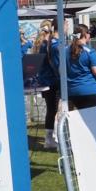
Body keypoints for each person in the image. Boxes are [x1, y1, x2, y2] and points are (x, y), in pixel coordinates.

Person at [33, 21, 60, 149]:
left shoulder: (39, 44)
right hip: (51, 81)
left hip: (44, 81)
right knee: (54, 110)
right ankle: (51, 138)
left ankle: (50, 138)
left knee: (51, 109)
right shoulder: (47, 44)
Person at [65, 24, 96, 109]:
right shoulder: (90, 51)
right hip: (89, 90)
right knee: (92, 117)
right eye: (89, 32)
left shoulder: (65, 50)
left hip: (72, 91)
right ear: (85, 35)